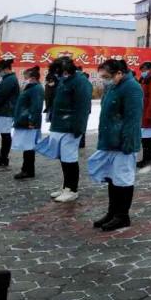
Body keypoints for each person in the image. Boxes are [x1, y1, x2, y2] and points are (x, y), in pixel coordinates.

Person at [88, 59, 143, 231]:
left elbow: (132, 118)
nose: (105, 80)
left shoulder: (131, 88)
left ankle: (122, 216)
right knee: (112, 178)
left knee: (123, 179)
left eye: (107, 76)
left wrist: (127, 143)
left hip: (123, 143)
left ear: (119, 73)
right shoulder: (114, 86)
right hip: (111, 142)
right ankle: (112, 212)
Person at [36, 57, 93, 203]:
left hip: (70, 127)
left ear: (66, 70)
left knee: (70, 158)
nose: (57, 75)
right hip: (60, 125)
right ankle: (65, 186)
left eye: (59, 72)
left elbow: (83, 106)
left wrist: (78, 128)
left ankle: (72, 190)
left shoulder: (80, 82)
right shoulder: (64, 80)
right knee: (63, 158)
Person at [12, 66, 45, 180]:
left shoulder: (36, 88)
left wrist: (32, 121)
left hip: (28, 122)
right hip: (25, 120)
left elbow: (36, 107)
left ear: (33, 77)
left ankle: (28, 170)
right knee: (27, 147)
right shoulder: (32, 87)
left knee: (29, 147)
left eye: (26, 75)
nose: (24, 77)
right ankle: (26, 169)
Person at [0, 59, 20, 168]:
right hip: (5, 110)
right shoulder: (8, 79)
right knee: (4, 134)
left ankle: (3, 158)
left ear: (6, 69)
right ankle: (3, 157)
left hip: (6, 111)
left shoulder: (9, 80)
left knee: (5, 135)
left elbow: (1, 95)